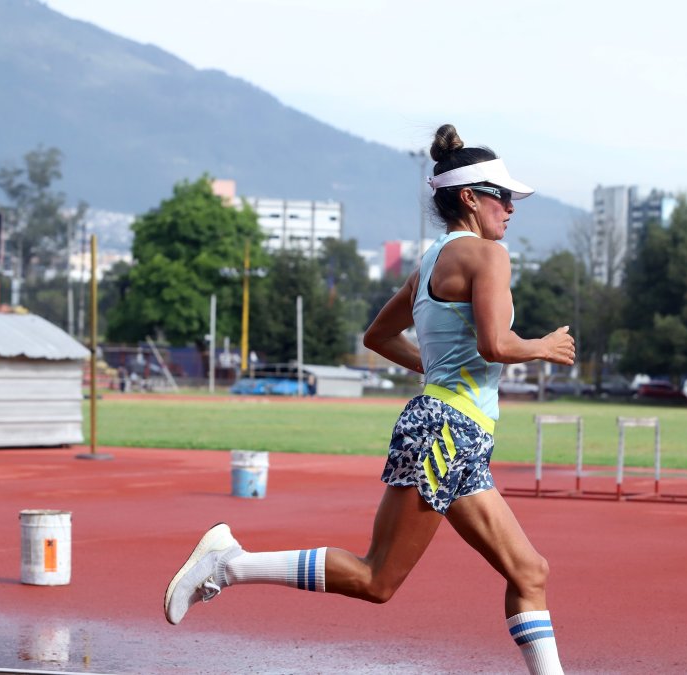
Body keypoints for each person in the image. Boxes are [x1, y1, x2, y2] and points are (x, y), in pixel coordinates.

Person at [163, 124, 575, 675]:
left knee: (530, 571)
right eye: (502, 196)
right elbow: (494, 345)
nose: (511, 209)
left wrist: (441, 370)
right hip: (448, 432)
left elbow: (377, 338)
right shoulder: (486, 257)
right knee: (378, 578)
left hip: (456, 432)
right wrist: (542, 347)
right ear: (471, 198)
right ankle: (229, 564)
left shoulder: (429, 264)